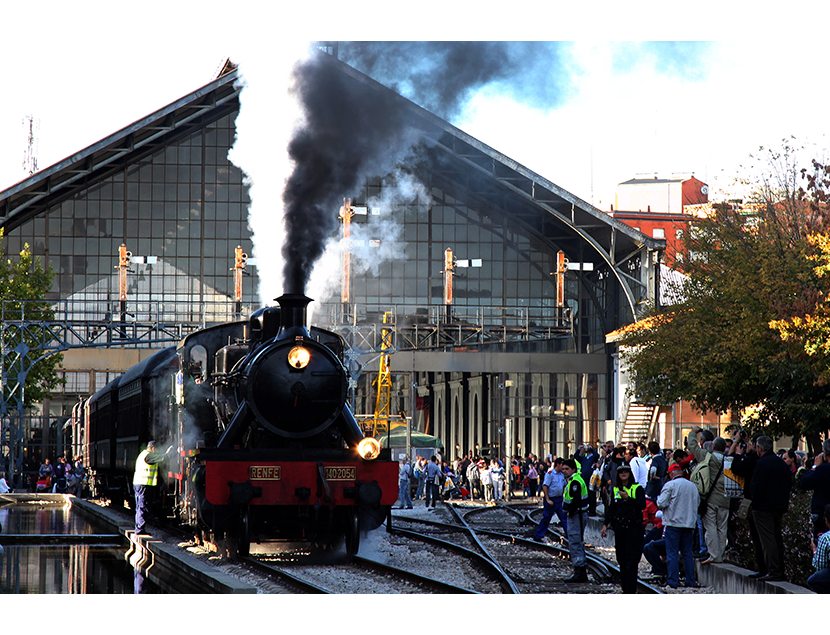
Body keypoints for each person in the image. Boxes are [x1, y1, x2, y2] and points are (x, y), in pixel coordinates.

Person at [749, 435, 791, 582]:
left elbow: (757, 486)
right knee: (776, 538)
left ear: (759, 448)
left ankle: (773, 570)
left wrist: (755, 504)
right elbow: (788, 485)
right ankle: (778, 569)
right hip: (778, 506)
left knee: (767, 540)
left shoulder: (762, 463)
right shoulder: (781, 464)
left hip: (763, 508)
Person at [601, 463, 646, 593]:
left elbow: (642, 505)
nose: (623, 474)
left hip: (633, 528)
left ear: (630, 473)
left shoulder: (637, 488)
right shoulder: (616, 489)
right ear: (618, 475)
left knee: (632, 561)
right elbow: (611, 509)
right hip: (620, 528)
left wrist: (628, 498)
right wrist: (605, 524)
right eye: (621, 472)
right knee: (621, 559)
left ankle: (630, 590)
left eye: (626, 471)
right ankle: (625, 589)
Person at [687, 427, 729, 564]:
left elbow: (692, 446)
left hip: (710, 499)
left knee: (710, 526)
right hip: (725, 499)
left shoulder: (707, 456)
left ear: (713, 446)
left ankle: (714, 555)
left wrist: (693, 432)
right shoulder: (729, 461)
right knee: (722, 528)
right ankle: (721, 555)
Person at [657, 463, 701, 589]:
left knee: (672, 553)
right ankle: (690, 581)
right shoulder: (692, 486)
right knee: (687, 553)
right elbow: (697, 503)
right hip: (689, 524)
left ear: (671, 474)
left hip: (673, 524)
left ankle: (673, 581)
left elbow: (661, 503)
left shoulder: (670, 485)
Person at [133, 440, 172, 534]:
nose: (157, 452)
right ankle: (139, 530)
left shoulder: (143, 454)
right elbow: (162, 458)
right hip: (144, 485)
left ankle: (139, 528)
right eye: (157, 450)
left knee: (141, 507)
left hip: (141, 484)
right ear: (153, 448)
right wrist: (172, 453)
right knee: (143, 507)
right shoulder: (148, 456)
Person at [561, 458, 590, 583]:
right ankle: (580, 570)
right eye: (563, 469)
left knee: (575, 542)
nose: (564, 471)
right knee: (577, 541)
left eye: (567, 469)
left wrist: (570, 511)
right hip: (578, 514)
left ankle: (580, 571)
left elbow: (576, 499)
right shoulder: (575, 480)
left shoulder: (574, 482)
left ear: (573, 469)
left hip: (576, 515)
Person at [800, 439, 830, 543]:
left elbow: (805, 483)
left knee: (821, 543)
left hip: (823, 514)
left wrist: (814, 466)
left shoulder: (823, 470)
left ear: (825, 453)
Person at [533, 457, 567, 540]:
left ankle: (569, 535)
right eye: (562, 465)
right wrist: (547, 499)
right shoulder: (550, 473)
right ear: (558, 464)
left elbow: (564, 485)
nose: (563, 467)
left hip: (559, 499)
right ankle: (538, 535)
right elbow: (545, 486)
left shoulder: (561, 474)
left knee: (564, 518)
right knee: (546, 518)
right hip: (551, 499)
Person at [807, 503, 830, 593]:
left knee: (813, 581)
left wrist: (815, 551)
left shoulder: (825, 538)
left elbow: (820, 567)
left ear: (826, 520)